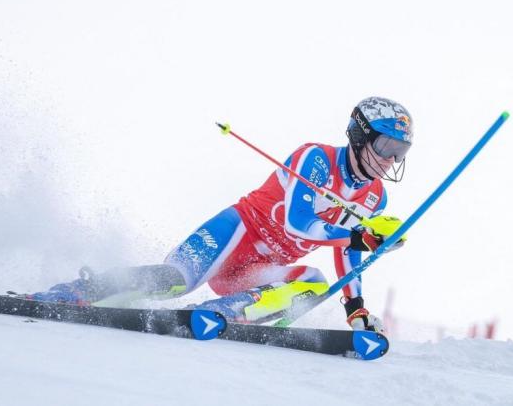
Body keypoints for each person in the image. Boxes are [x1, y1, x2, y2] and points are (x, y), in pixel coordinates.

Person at [28, 97, 413, 332]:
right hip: (234, 236)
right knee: (173, 281)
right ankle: (72, 293)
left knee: (314, 283)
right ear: (359, 136)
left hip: (259, 271)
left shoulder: (375, 199)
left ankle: (215, 315)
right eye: (386, 145)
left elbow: (347, 250)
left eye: (401, 151)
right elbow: (299, 223)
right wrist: (360, 236)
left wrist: (355, 307)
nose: (392, 159)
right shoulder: (316, 159)